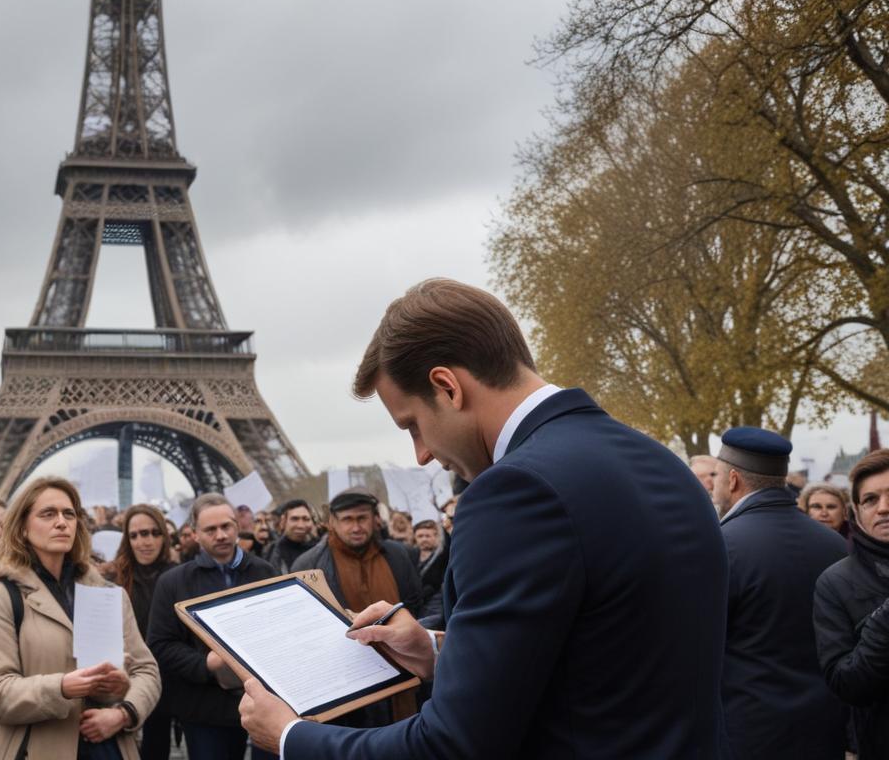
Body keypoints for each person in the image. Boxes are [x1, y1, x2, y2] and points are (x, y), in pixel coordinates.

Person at [241, 278, 729, 758]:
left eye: (413, 425)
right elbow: (610, 655)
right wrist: (437, 650)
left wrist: (290, 737)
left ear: (447, 386)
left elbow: (451, 745)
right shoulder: (659, 462)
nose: (422, 454)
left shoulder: (513, 491)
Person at [0, 477, 160, 760]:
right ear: (22, 527)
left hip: (109, 747)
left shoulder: (109, 594)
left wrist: (124, 712)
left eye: (69, 514)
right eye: (48, 514)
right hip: (38, 749)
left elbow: (147, 671)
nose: (61, 522)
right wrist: (62, 687)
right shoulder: (0, 597)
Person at [710, 427, 848, 759]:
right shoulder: (835, 544)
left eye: (715, 474)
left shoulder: (722, 545)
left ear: (732, 480)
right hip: (824, 729)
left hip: (747, 733)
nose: (713, 484)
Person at [149, 494, 278, 760]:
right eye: (210, 529)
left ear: (237, 526)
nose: (221, 535)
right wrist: (206, 663)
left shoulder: (266, 572)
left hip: (264, 702)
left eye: (227, 526)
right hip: (205, 708)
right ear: (195, 534)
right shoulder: (172, 582)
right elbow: (160, 645)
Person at [290, 488, 421, 727]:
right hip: (343, 682)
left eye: (362, 518)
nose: (356, 527)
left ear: (374, 519)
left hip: (401, 670)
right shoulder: (308, 564)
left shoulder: (398, 554)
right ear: (332, 523)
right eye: (348, 520)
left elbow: (415, 603)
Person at [814, 449, 889, 758]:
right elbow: (847, 683)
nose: (884, 508)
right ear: (856, 512)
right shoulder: (836, 583)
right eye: (870, 500)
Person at [106, 504, 177, 760]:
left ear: (163, 537)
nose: (143, 542)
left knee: (157, 745)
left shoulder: (178, 577)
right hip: (124, 676)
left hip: (169, 677)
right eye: (135, 535)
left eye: (151, 533)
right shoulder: (111, 579)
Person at [266, 499, 316, 574]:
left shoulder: (322, 547)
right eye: (295, 519)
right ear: (283, 521)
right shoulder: (275, 552)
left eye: (306, 519)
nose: (301, 525)